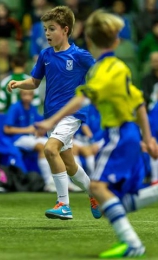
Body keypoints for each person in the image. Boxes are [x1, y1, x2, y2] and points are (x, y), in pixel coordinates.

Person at [35, 9, 158, 258]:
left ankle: (129, 242)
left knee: (102, 190)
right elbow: (139, 104)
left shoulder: (101, 70)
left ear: (89, 40)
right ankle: (132, 242)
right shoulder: (121, 67)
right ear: (116, 41)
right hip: (131, 133)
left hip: (119, 134)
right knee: (114, 196)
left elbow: (82, 98)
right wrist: (148, 138)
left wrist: (51, 119)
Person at [7, 6, 102, 220]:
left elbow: (100, 74)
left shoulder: (80, 56)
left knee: (50, 150)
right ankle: (95, 193)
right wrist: (19, 83)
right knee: (69, 165)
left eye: (52, 29)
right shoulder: (45, 55)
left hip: (71, 115)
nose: (47, 33)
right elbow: (34, 81)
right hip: (51, 117)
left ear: (65, 30)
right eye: (45, 29)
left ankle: (63, 204)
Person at [3, 89, 55, 192]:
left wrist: (40, 130)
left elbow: (38, 125)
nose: (27, 97)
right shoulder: (15, 108)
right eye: (24, 94)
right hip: (18, 138)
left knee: (54, 144)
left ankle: (65, 182)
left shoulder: (33, 109)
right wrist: (26, 129)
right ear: (20, 95)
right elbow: (6, 129)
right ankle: (48, 182)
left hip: (30, 138)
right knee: (42, 146)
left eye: (29, 94)